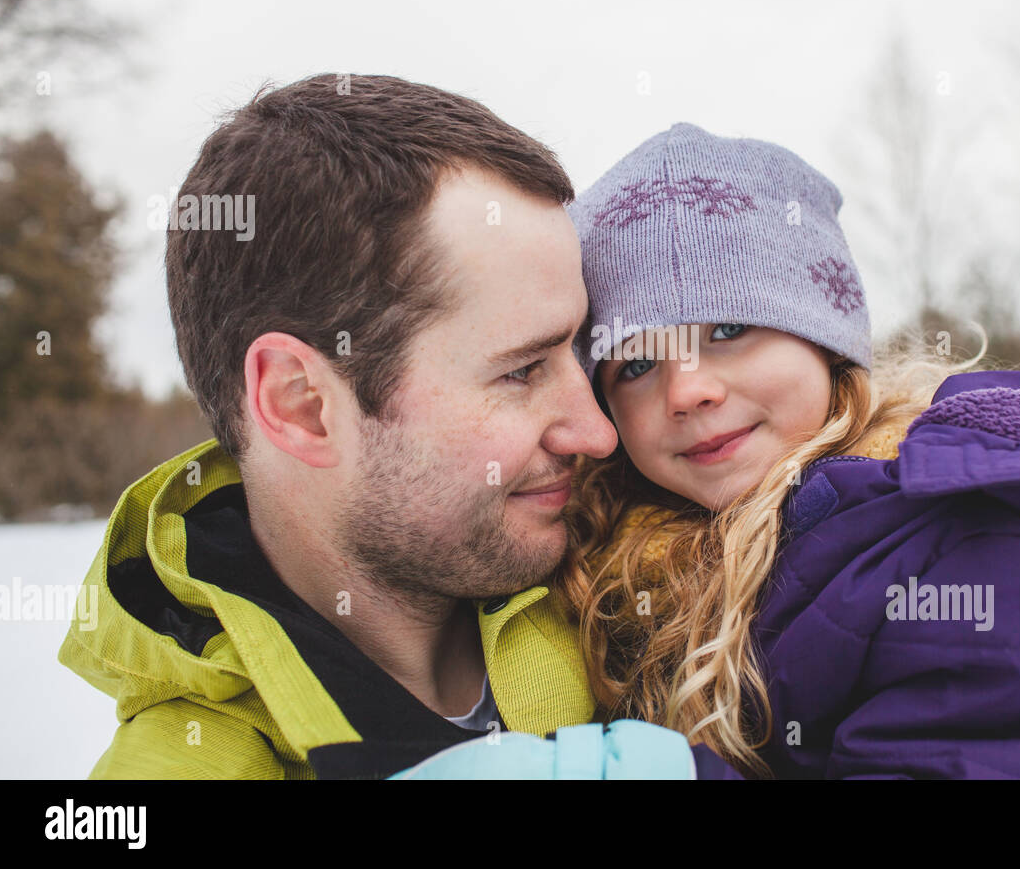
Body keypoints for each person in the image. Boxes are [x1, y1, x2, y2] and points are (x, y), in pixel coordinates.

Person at [551, 122, 1020, 779]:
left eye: (729, 327)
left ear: (828, 346)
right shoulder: (620, 568)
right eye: (636, 364)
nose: (687, 390)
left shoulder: (962, 537)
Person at [58, 75, 696, 779]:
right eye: (521, 371)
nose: (598, 433)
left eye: (578, 349)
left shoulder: (647, 577)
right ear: (302, 404)